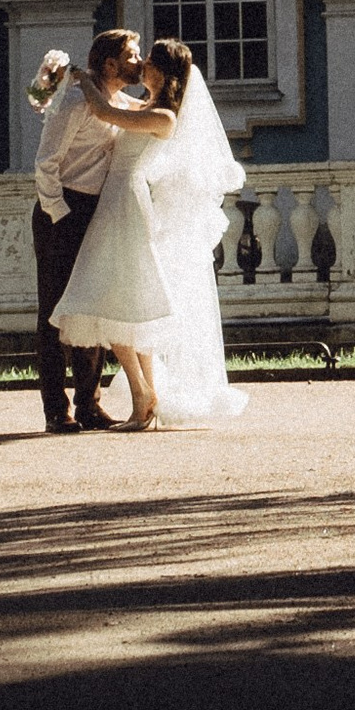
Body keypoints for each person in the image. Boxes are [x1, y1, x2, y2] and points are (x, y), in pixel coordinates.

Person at [48, 35, 249, 430]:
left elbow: (104, 110)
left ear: (164, 72)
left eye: (149, 62)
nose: (143, 67)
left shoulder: (164, 118)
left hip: (125, 205)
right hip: (117, 202)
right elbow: (112, 108)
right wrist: (59, 84)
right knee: (122, 301)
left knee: (113, 302)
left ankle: (143, 398)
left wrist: (80, 76)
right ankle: (146, 399)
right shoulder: (147, 107)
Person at [30, 26, 143, 432]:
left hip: (98, 211)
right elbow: (46, 163)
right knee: (56, 314)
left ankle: (90, 404)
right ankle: (55, 410)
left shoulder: (120, 102)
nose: (139, 61)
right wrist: (60, 214)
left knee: (93, 307)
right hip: (62, 210)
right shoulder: (76, 103)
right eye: (132, 55)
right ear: (110, 63)